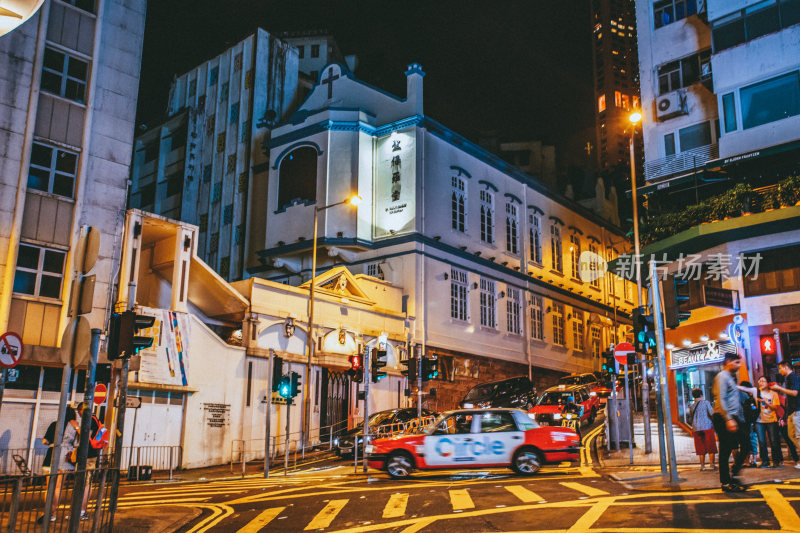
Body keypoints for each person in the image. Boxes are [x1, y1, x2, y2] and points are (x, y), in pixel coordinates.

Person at [712, 353, 749, 492]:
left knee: (746, 444)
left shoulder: (730, 378)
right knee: (725, 450)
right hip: (724, 417)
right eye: (737, 363)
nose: (739, 366)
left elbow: (734, 401)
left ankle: (734, 474)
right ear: (728, 362)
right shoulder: (722, 376)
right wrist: (728, 419)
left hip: (733, 417)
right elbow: (720, 399)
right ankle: (726, 482)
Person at [37, 405, 79, 524]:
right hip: (65, 457)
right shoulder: (74, 427)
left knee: (49, 486)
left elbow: (45, 441)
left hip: (51, 456)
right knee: (58, 488)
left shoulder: (54, 424)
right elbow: (77, 443)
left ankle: (49, 513)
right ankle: (53, 513)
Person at [771, 360, 800, 469]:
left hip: (797, 411)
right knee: (791, 435)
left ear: (785, 367)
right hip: (792, 412)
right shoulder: (788, 378)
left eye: (780, 368)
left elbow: (795, 393)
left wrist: (779, 388)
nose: (779, 371)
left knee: (797, 436)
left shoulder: (793, 377)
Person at [753, 376, 782, 468]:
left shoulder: (773, 394)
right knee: (761, 442)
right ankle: (765, 462)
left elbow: (775, 408)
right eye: (760, 381)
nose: (761, 382)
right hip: (759, 421)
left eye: (763, 381)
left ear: (767, 383)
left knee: (773, 441)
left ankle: (776, 461)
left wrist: (765, 402)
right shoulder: (756, 394)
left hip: (771, 420)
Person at [688, 388, 716, 471]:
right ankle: (711, 465)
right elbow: (712, 413)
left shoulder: (692, 406)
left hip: (696, 428)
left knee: (700, 447)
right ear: (701, 395)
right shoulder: (706, 403)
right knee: (710, 446)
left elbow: (691, 417)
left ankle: (702, 466)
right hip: (707, 426)